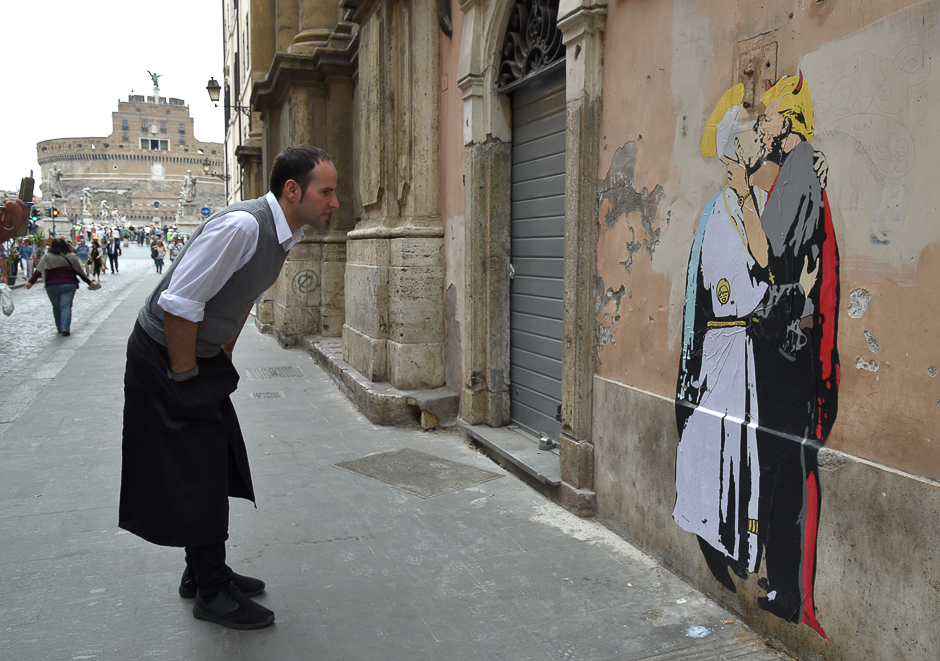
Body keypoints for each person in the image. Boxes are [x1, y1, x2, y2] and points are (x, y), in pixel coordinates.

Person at [119, 145, 339, 630]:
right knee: (195, 467)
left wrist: (222, 357)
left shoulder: (285, 234)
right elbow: (179, 303)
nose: (335, 202)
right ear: (292, 189)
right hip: (165, 354)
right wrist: (185, 379)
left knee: (212, 461)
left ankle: (200, 574)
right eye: (327, 191)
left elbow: (242, 298)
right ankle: (212, 591)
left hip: (197, 355)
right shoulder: (242, 226)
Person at [750, 73, 839, 637]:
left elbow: (773, 257)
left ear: (790, 120)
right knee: (780, 465)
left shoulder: (801, 169)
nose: (763, 124)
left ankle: (787, 591)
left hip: (788, 346)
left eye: (769, 117)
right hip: (787, 340)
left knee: (785, 465)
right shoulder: (796, 171)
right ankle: (781, 579)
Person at [25, 238, 95, 336]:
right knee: (66, 306)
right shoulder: (71, 257)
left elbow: (38, 271)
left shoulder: (47, 256)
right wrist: (89, 282)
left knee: (56, 307)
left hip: (52, 285)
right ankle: (65, 328)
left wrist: (30, 282)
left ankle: (59, 327)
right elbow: (80, 271)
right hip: (69, 284)